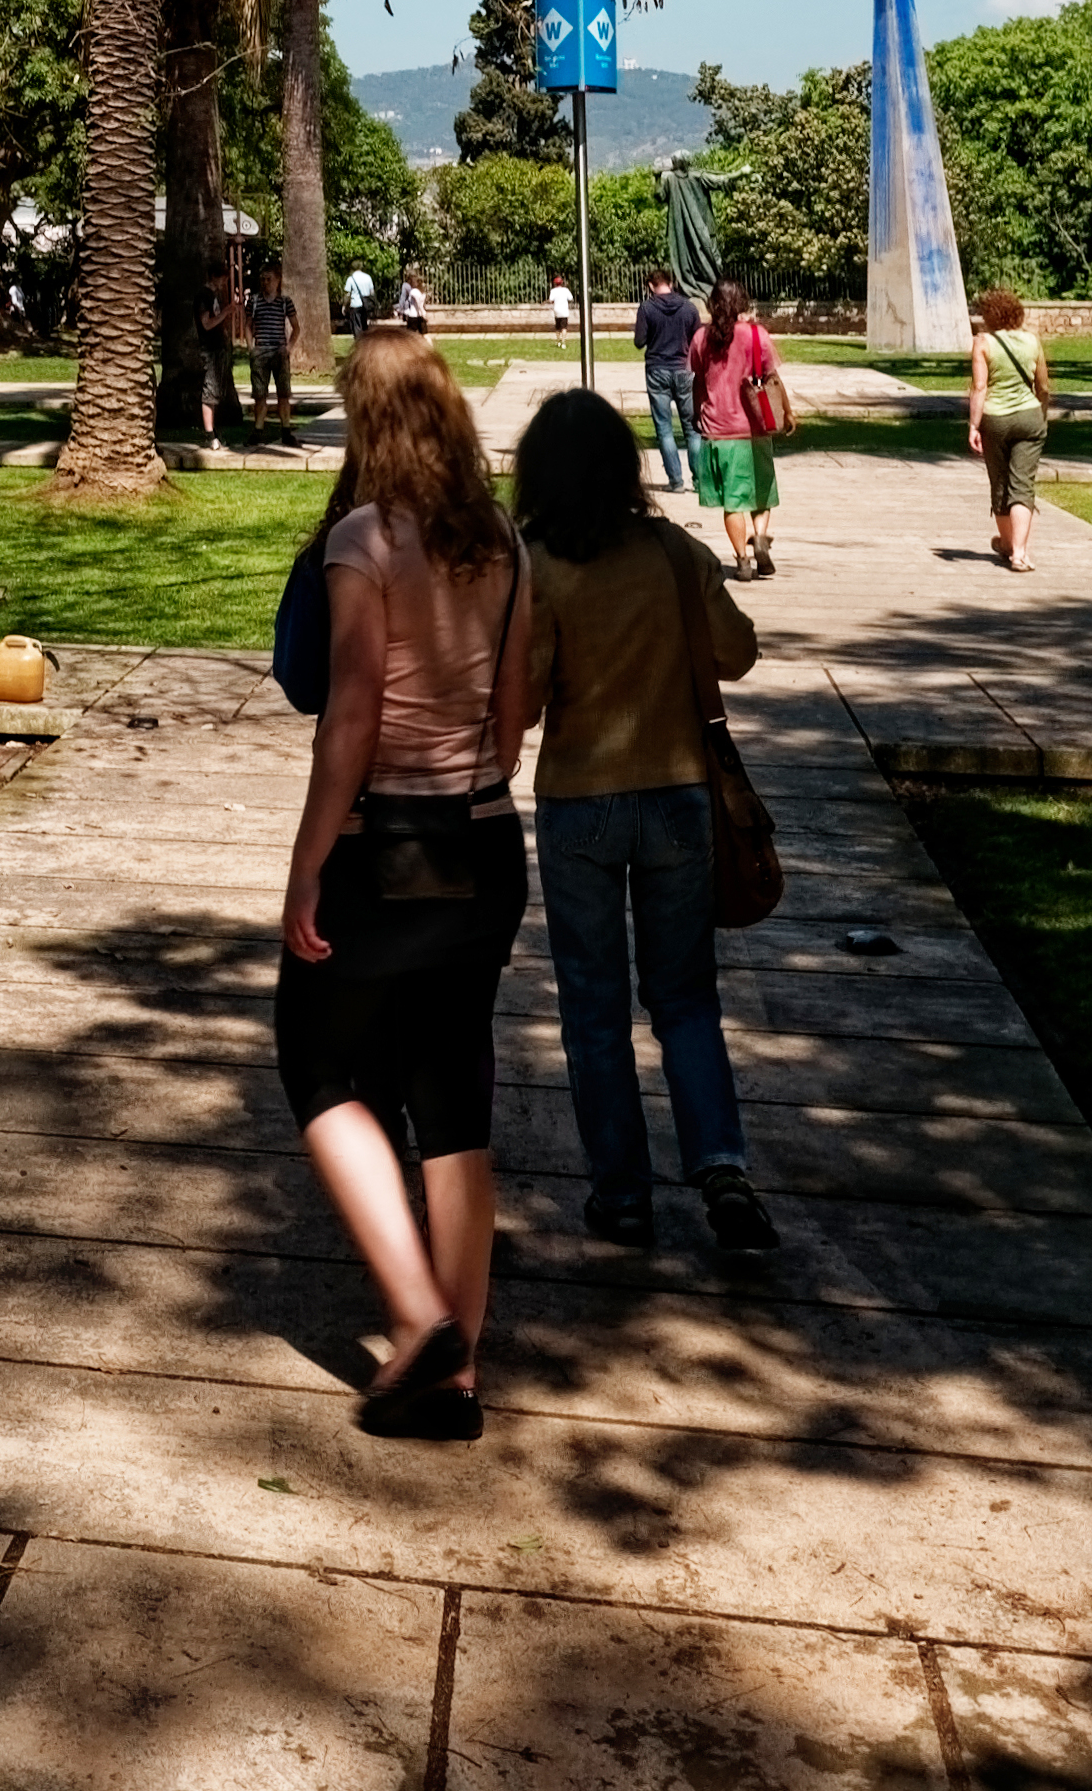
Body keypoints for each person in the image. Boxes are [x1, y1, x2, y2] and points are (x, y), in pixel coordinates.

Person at [274, 327, 534, 1438]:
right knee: (453, 1092)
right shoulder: (503, 541)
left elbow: (351, 713)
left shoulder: (362, 540)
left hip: (382, 846)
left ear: (365, 420)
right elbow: (514, 718)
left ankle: (419, 1318)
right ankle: (454, 1377)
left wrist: (306, 867)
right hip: (485, 843)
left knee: (318, 1065)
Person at [514, 388, 778, 1263]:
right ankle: (723, 1169)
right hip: (679, 795)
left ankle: (622, 1193)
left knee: (593, 1007)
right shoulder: (674, 552)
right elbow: (738, 652)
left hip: (579, 798)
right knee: (686, 997)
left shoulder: (538, 565)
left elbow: (524, 698)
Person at [692, 276, 784, 578]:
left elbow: (698, 380)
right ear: (742, 301)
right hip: (754, 428)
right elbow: (771, 376)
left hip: (718, 429)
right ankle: (760, 538)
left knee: (732, 502)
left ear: (713, 303)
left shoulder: (701, 338)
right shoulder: (756, 335)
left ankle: (742, 561)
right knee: (761, 493)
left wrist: (695, 414)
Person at [965, 284, 1053, 571]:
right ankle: (1019, 553)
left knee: (1001, 482)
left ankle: (1006, 542)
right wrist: (1041, 415)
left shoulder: (983, 343)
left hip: (996, 419)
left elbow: (980, 387)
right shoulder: (1032, 341)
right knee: (1022, 485)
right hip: (1029, 417)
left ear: (989, 316)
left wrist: (973, 426)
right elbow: (1043, 386)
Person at [633, 268, 701, 491]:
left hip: (657, 369)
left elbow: (639, 342)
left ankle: (676, 481)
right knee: (692, 428)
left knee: (664, 428)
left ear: (651, 286)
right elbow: (697, 339)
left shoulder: (647, 308)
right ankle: (699, 480)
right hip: (683, 369)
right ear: (671, 283)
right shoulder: (689, 307)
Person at [249, 260, 299, 426]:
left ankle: (286, 428)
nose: (265, 283)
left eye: (269, 279)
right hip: (261, 350)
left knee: (283, 394)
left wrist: (288, 348)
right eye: (263, 279)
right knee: (259, 395)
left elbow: (296, 327)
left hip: (279, 351)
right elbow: (248, 325)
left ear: (278, 281)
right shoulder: (254, 301)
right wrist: (251, 347)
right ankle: (258, 429)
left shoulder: (285, 302)